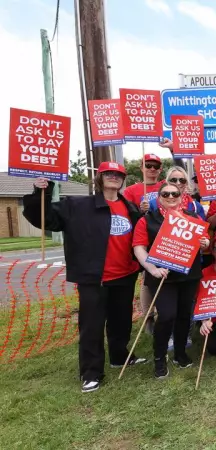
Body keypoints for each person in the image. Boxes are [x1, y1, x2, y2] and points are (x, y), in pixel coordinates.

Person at [22, 163, 144, 393]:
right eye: (109, 174)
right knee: (92, 327)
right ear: (99, 178)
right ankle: (91, 373)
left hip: (125, 275)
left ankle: (120, 356)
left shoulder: (130, 208)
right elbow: (45, 218)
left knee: (122, 322)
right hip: (94, 278)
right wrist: (42, 192)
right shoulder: (78, 205)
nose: (114, 177)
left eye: (119, 175)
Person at [133, 183, 210, 378]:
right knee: (167, 315)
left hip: (188, 275)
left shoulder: (193, 218)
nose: (170, 196)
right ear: (159, 197)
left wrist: (205, 243)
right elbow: (139, 247)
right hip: (162, 277)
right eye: (165, 193)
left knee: (184, 315)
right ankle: (159, 358)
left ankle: (180, 353)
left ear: (181, 196)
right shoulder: (147, 220)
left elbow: (205, 242)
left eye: (174, 193)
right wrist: (152, 268)